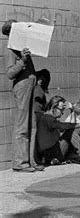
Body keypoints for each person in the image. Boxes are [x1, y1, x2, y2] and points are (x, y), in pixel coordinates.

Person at [3, 19, 44, 172]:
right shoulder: (9, 50)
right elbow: (9, 74)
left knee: (31, 125)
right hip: (22, 88)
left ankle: (31, 160)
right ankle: (20, 163)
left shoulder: (21, 47)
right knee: (22, 125)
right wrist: (22, 61)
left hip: (30, 86)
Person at [36, 96, 80, 166]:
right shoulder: (46, 118)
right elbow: (64, 126)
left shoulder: (51, 119)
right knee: (72, 131)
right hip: (50, 154)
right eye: (61, 110)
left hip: (56, 150)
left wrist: (73, 112)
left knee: (74, 130)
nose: (62, 113)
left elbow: (69, 126)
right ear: (53, 108)